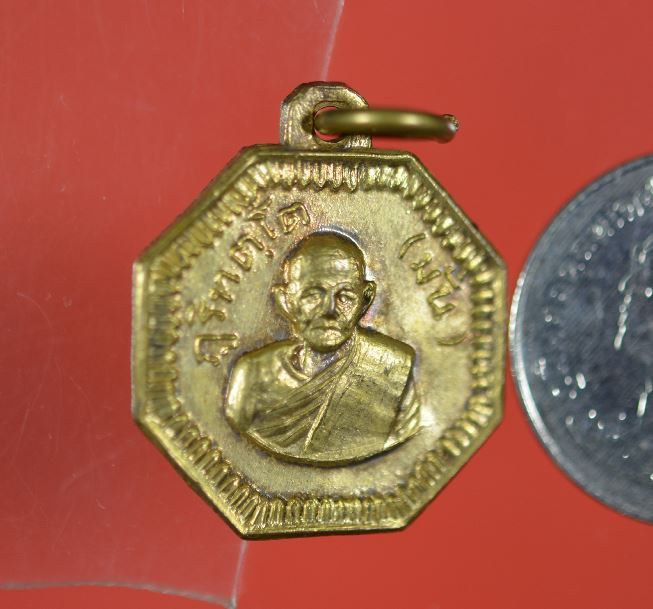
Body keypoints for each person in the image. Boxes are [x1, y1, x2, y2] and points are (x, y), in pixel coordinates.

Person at [225, 232, 421, 465]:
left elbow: (408, 454)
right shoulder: (253, 375)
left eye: (345, 296)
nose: (329, 310)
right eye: (313, 295)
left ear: (366, 299)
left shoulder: (394, 369)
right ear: (286, 300)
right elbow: (230, 448)